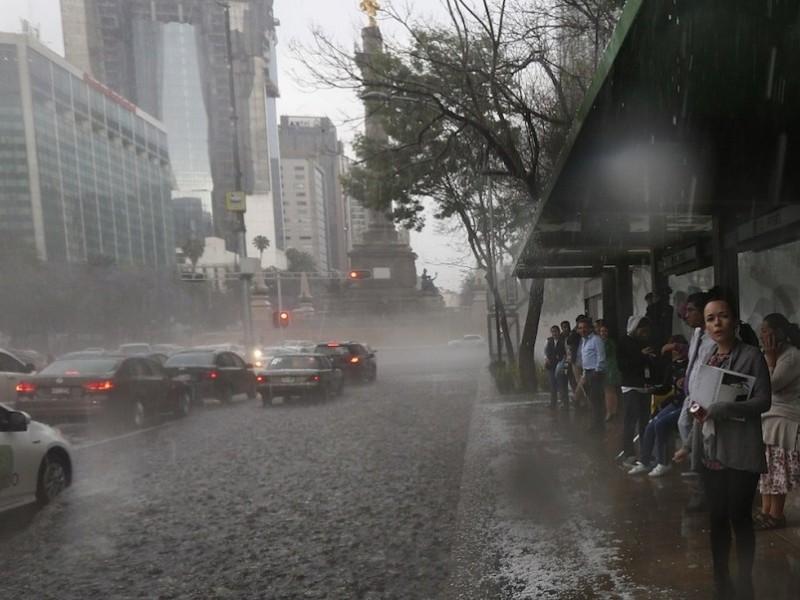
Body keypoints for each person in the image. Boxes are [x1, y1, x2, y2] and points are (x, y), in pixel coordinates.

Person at [673, 295, 771, 600]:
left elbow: (762, 402)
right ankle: (720, 578)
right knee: (716, 517)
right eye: (711, 319)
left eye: (723, 316)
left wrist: (722, 409)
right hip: (711, 452)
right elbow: (696, 408)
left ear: (734, 320)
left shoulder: (751, 356)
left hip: (741, 451)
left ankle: (744, 579)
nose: (717, 323)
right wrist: (689, 447)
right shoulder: (705, 360)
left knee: (740, 516)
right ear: (705, 325)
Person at [754, 313, 800, 531]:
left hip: (782, 419)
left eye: (765, 330)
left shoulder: (791, 356)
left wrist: (771, 360)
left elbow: (769, 386)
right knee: (766, 469)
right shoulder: (769, 354)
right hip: (767, 417)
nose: (762, 335)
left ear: (778, 332)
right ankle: (764, 511)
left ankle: (776, 514)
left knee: (776, 468)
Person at [628, 334, 689, 476]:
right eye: (672, 348)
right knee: (650, 425)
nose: (674, 351)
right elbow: (666, 387)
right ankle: (645, 462)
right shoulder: (672, 366)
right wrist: (654, 389)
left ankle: (664, 462)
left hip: (686, 405)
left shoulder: (691, 365)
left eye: (677, 348)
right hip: (674, 403)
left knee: (660, 424)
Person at [618, 316, 657, 465]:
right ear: (635, 328)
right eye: (642, 331)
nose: (644, 334)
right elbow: (623, 366)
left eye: (647, 332)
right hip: (630, 386)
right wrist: (641, 356)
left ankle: (646, 453)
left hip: (644, 386)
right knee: (630, 421)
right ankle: (628, 453)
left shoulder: (644, 342)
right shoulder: (624, 342)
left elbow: (649, 366)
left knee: (645, 421)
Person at [577, 317, 605, 433]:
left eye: (584, 327)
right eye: (580, 328)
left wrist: (597, 371)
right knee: (592, 401)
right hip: (587, 373)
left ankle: (598, 427)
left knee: (596, 401)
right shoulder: (584, 342)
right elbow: (585, 359)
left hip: (595, 374)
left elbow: (601, 357)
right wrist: (584, 375)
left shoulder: (596, 339)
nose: (582, 330)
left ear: (589, 328)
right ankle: (595, 425)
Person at [599, 324, 620, 421]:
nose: (603, 333)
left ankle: (609, 412)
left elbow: (603, 353)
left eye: (605, 331)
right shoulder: (609, 341)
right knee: (612, 391)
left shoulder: (607, 342)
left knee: (608, 391)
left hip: (609, 369)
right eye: (601, 331)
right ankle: (614, 411)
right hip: (611, 368)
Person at [544, 325, 566, 409]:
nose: (554, 333)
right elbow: (544, 351)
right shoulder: (548, 341)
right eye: (552, 332)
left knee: (561, 384)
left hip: (560, 365)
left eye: (555, 331)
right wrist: (546, 359)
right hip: (551, 365)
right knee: (552, 385)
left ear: (559, 332)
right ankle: (553, 403)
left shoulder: (563, 341)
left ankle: (563, 402)